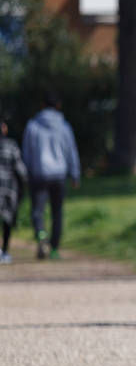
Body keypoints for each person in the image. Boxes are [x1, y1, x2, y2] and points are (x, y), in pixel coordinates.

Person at [21, 92, 80, 260]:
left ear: (42, 105)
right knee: (57, 211)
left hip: (39, 174)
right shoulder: (64, 126)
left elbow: (27, 152)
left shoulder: (33, 126)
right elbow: (71, 151)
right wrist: (75, 174)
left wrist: (26, 173)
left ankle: (41, 235)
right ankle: (54, 248)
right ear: (58, 106)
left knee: (38, 210)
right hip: (59, 174)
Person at [0, 118, 28, 264]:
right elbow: (20, 169)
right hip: (8, 189)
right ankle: (4, 252)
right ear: (4, 129)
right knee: (7, 221)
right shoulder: (11, 146)